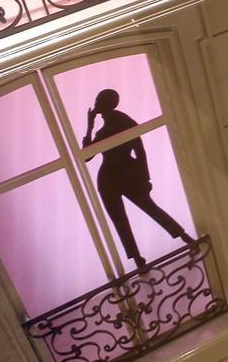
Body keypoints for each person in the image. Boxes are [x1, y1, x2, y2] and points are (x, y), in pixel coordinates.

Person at [83, 89, 193, 273]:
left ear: (106, 103)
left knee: (143, 211)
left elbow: (140, 151)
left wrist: (145, 177)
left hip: (122, 176)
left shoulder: (119, 124)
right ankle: (140, 258)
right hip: (112, 178)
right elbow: (87, 157)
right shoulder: (116, 124)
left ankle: (182, 237)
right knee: (122, 218)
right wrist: (90, 126)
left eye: (98, 99)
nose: (95, 103)